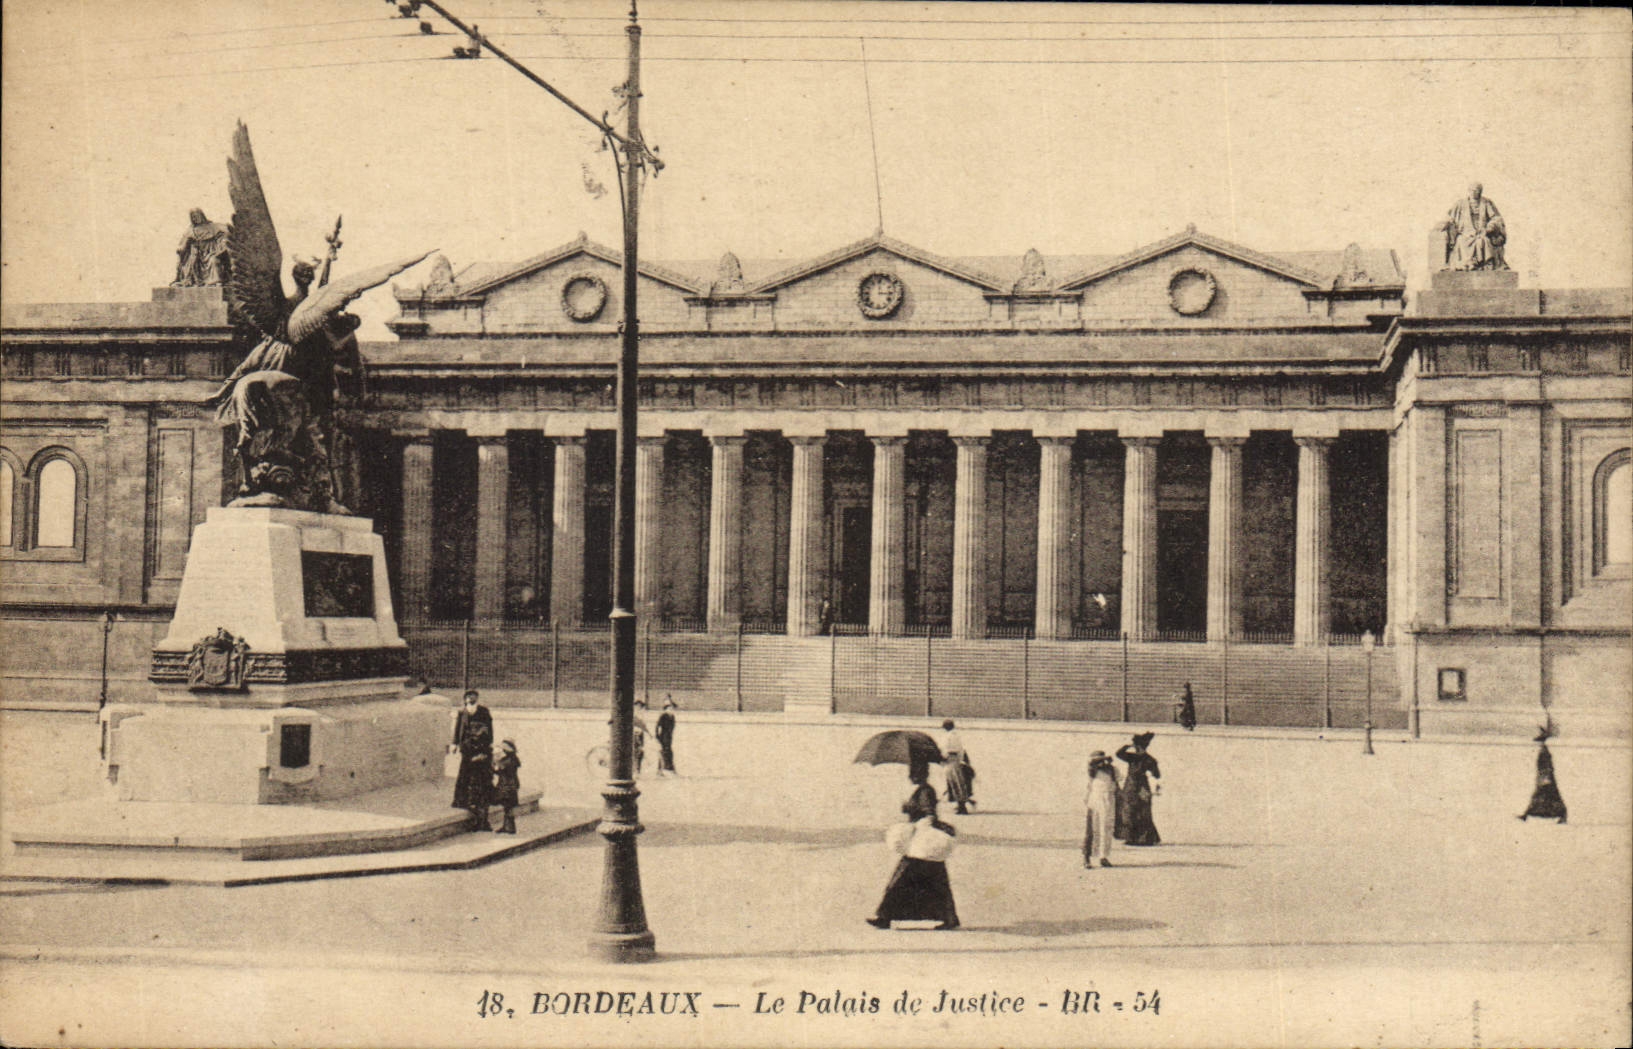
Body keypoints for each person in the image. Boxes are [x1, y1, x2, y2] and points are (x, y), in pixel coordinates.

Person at [868, 758, 960, 930]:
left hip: (921, 843)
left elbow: (929, 814)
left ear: (921, 774)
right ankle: (949, 918)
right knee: (937, 883)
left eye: (913, 772)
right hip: (923, 844)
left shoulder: (925, 791)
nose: (910, 776)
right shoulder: (923, 790)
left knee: (901, 880)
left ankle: (884, 917)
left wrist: (918, 819)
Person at [450, 689, 495, 830]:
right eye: (468, 696)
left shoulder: (483, 711)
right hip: (466, 748)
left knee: (480, 776)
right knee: (464, 773)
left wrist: (488, 743)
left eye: (473, 696)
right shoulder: (462, 712)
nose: (470, 698)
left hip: (480, 747)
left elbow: (489, 728)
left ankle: (481, 801)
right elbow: (458, 729)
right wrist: (455, 743)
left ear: (477, 698)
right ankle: (460, 800)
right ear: (465, 699)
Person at [1440, 181, 1507, 271]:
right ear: (1468, 191)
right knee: (1461, 240)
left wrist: (1489, 228)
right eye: (1471, 190)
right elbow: (1450, 217)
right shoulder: (1460, 203)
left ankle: (1484, 264)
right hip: (1465, 233)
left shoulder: (1486, 203)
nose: (1473, 192)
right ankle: (1467, 263)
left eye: (1476, 190)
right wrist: (1445, 223)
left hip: (1481, 232)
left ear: (1480, 192)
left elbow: (1496, 218)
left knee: (1484, 241)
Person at [1115, 732, 1162, 846]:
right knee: (1131, 811)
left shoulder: (1142, 758)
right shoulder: (1136, 757)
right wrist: (1127, 746)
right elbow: (1119, 754)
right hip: (1133, 786)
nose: (1136, 748)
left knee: (1141, 811)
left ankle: (1142, 838)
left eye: (1137, 746)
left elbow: (1157, 775)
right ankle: (1132, 838)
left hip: (1138, 786)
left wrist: (1151, 774)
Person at [1518, 725, 1567, 824]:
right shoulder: (1545, 753)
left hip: (1545, 779)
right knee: (1545, 798)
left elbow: (1546, 768)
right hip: (1545, 778)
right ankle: (1561, 815)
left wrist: (1545, 779)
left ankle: (1527, 814)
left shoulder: (1544, 754)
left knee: (1542, 798)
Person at [172, 207, 230, 288]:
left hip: (210, 252)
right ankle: (187, 280)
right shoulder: (190, 230)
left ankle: (215, 281)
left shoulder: (213, 226)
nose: (195, 218)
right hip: (197, 254)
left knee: (213, 260)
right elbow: (183, 244)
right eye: (193, 217)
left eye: (197, 216)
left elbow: (225, 234)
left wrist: (220, 246)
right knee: (190, 263)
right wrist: (182, 248)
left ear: (202, 215)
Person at [1083, 750, 1120, 869]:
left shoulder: (1113, 770)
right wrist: (1087, 799)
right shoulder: (1091, 771)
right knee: (1092, 829)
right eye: (1097, 761)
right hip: (1095, 800)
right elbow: (1088, 787)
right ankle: (1087, 857)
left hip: (1109, 799)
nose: (1100, 764)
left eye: (1102, 761)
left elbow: (1117, 782)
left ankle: (1103, 856)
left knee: (1107, 828)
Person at [941, 719, 974, 815]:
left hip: (951, 761)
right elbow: (961, 750)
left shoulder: (949, 736)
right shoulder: (955, 736)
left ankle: (962, 806)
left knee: (956, 783)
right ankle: (961, 805)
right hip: (955, 761)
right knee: (956, 783)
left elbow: (949, 750)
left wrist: (943, 758)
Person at [492, 739, 522, 834]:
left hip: (507, 785)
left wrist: (494, 765)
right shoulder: (513, 759)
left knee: (507, 806)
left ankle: (509, 827)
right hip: (512, 785)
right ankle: (508, 826)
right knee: (508, 806)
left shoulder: (508, 760)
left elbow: (501, 770)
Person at [655, 696, 678, 776]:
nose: (672, 710)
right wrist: (657, 737)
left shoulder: (672, 717)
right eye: (670, 708)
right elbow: (658, 726)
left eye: (672, 708)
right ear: (666, 709)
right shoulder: (663, 716)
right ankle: (664, 770)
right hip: (663, 737)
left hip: (669, 738)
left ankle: (664, 769)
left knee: (667, 752)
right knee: (664, 752)